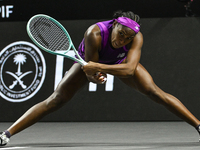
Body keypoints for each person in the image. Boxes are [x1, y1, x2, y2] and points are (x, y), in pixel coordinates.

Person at [0, 10, 200, 146]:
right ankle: (6, 134)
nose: (122, 40)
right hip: (88, 62)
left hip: (115, 63)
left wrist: (99, 68)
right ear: (114, 24)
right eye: (120, 34)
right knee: (56, 99)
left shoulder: (136, 37)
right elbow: (91, 70)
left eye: (127, 38)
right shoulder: (94, 34)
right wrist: (95, 75)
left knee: (154, 92)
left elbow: (130, 69)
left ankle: (199, 126)